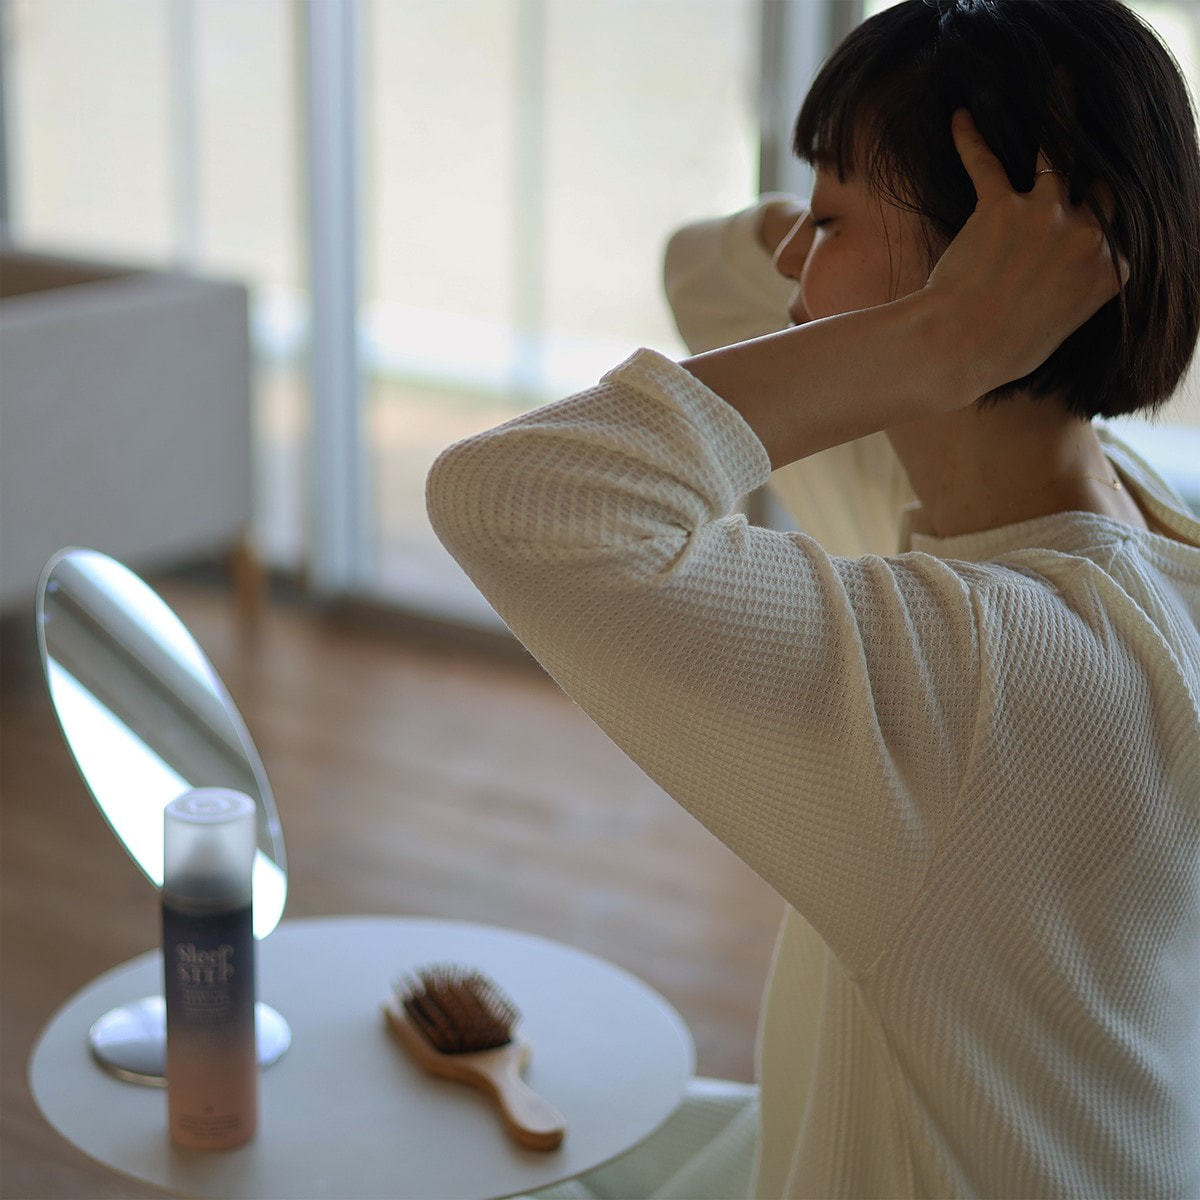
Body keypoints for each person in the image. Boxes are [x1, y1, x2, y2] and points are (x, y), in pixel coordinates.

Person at [427, 1, 1200, 1195]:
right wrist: (943, 301)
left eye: (830, 220)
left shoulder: (992, 677)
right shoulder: (1125, 526)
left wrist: (940, 330)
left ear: (982, 285)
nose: (791, 257)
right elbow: (707, 268)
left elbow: (513, 500)